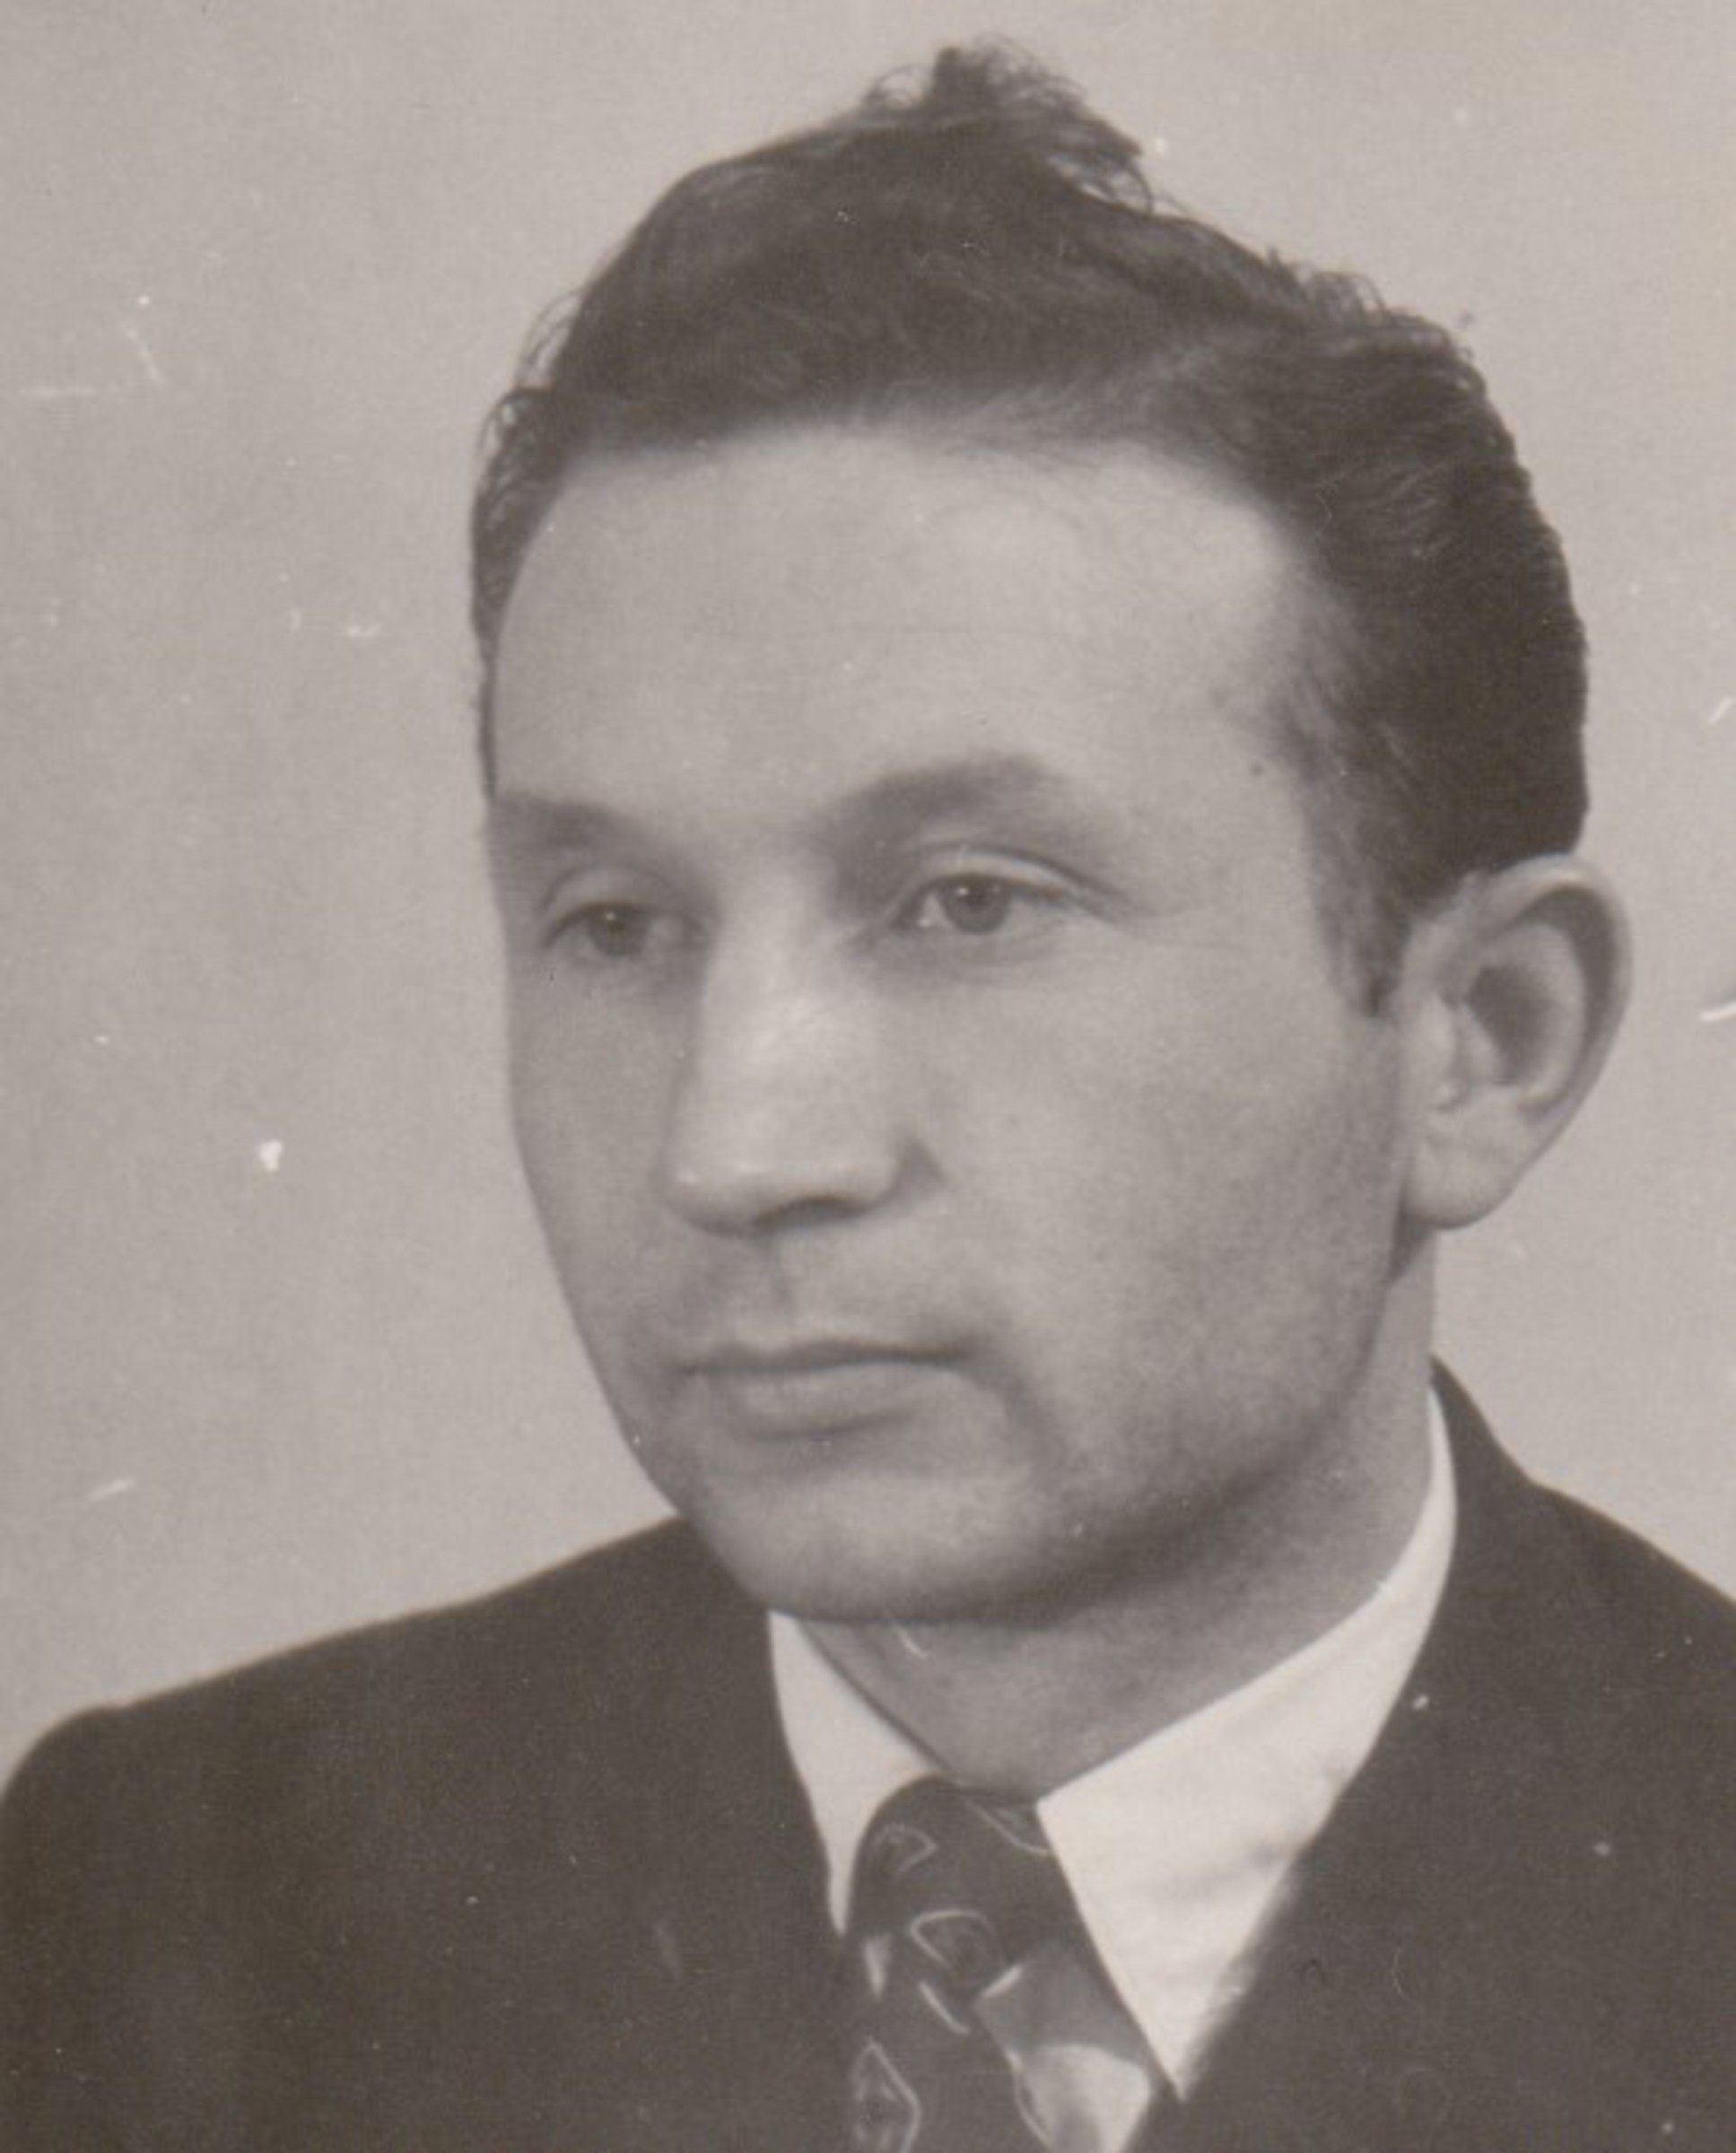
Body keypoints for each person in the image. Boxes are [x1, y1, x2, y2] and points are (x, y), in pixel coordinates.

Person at [3, 43, 1731, 2153]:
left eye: (967, 904)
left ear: (1483, 1039)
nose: (733, 1148)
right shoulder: (150, 1905)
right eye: (617, 923)